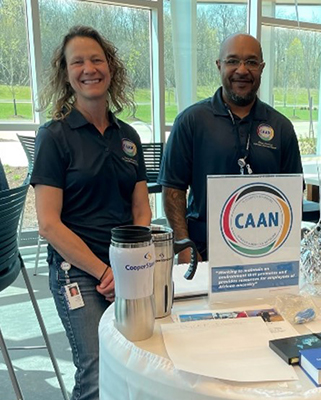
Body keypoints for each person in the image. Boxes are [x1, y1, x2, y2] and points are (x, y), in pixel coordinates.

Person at [32, 26, 151, 400]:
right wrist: (104, 271)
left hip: (125, 269)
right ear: (66, 74)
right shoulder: (54, 137)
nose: (89, 69)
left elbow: (141, 210)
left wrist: (126, 266)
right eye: (77, 62)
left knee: (136, 360)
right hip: (80, 274)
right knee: (97, 370)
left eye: (97, 60)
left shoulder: (128, 137)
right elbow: (48, 224)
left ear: (110, 68)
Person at [158, 33, 303, 262]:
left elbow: (292, 194)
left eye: (251, 62)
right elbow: (173, 189)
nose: (242, 70)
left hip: (264, 253)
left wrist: (285, 253)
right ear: (219, 65)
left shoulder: (281, 127)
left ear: (262, 68)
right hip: (203, 250)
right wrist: (184, 247)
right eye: (233, 61)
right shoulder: (191, 121)